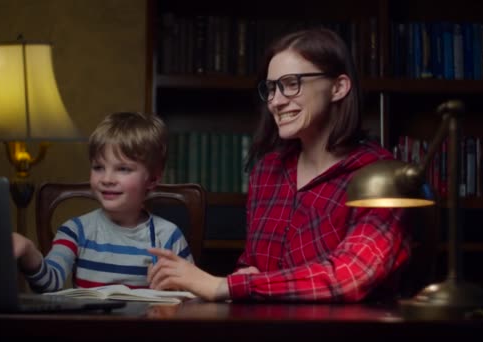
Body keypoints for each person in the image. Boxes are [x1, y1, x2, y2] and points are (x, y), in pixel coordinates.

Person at [147, 28, 411, 302]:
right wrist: (243, 277)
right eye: (271, 88)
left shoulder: (380, 175)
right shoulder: (267, 171)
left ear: (338, 87)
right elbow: (252, 267)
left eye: (291, 83)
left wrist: (223, 286)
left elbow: (350, 274)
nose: (275, 100)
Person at [13, 111, 194, 292]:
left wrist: (176, 288)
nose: (107, 179)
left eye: (123, 169)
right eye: (98, 167)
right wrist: (29, 253)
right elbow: (48, 285)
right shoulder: (75, 231)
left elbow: (192, 294)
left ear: (153, 179)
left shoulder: (169, 236)